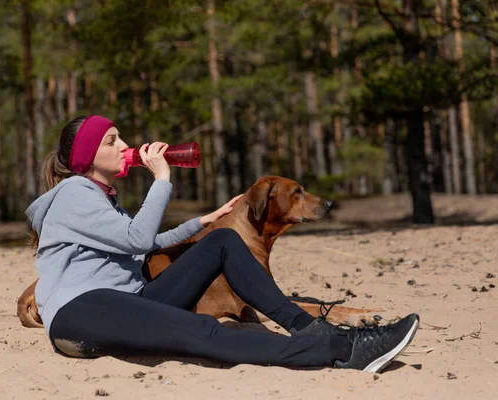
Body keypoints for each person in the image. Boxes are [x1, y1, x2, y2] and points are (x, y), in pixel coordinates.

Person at [26, 114, 420, 373]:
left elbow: (142, 246)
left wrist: (204, 222)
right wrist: (161, 178)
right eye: (112, 140)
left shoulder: (100, 197)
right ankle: (342, 352)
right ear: (87, 155)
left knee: (224, 241)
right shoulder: (76, 192)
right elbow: (140, 237)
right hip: (83, 313)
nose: (124, 143)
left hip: (132, 300)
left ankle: (310, 328)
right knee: (203, 332)